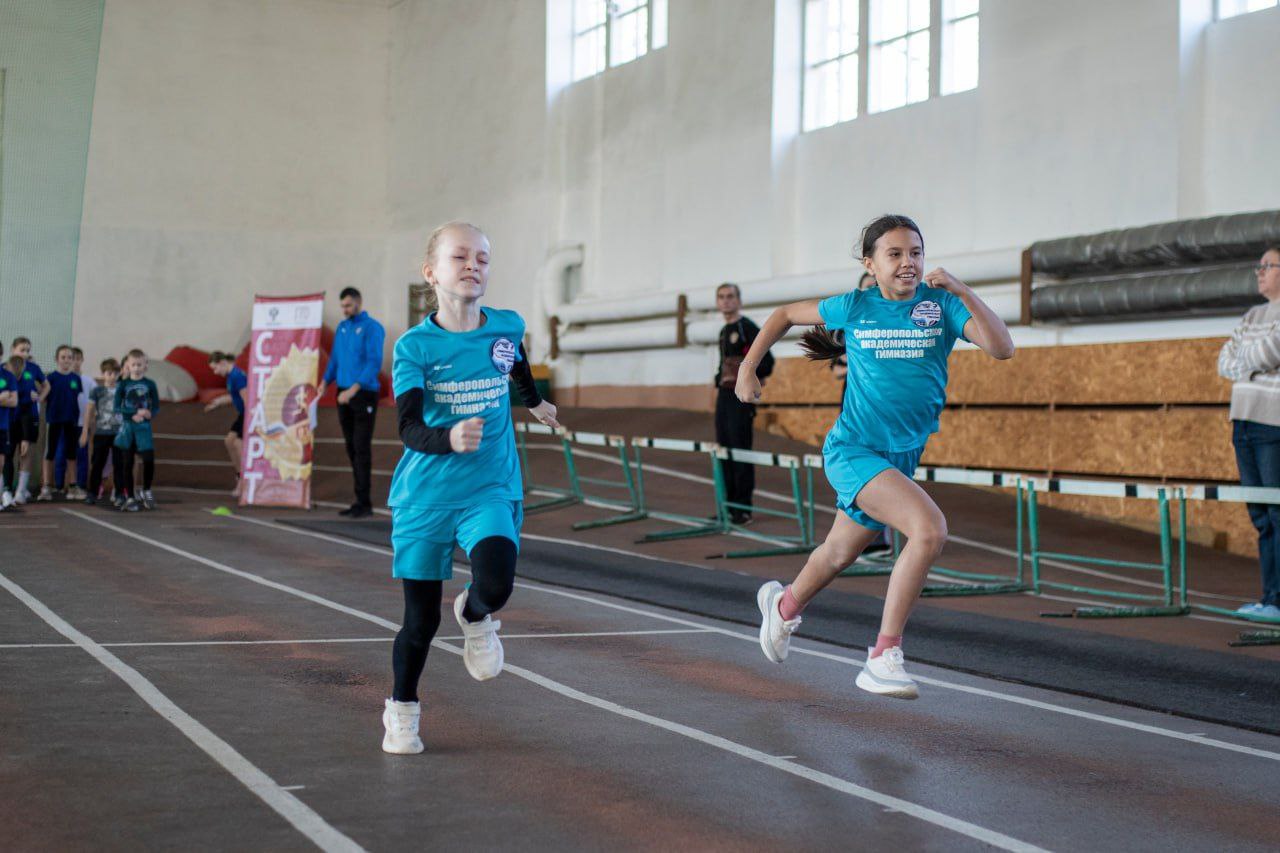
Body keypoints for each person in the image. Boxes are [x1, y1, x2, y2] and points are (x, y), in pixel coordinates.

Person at [738, 214, 1014, 699]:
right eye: (895, 254)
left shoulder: (942, 306)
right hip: (854, 450)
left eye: (916, 253)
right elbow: (782, 315)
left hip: (899, 458)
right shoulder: (854, 306)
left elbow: (1002, 347)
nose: (908, 262)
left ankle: (782, 607)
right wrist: (748, 369)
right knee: (929, 530)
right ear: (870, 264)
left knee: (839, 553)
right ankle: (883, 656)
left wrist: (962, 289)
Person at [381, 221, 560, 755]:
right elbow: (408, 428)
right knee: (420, 623)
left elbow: (513, 361)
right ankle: (401, 711)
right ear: (431, 272)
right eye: (460, 257)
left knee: (497, 584)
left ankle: (476, 614)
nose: (472, 266)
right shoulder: (414, 347)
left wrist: (534, 402)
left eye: (482, 258)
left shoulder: (505, 325)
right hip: (426, 497)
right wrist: (450, 438)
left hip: (489, 488)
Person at [1217, 244, 1280, 621]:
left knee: (1277, 512)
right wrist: (1250, 363)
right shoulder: (1252, 316)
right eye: (1259, 265)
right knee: (1260, 516)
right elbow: (1224, 361)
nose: (1260, 271)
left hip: (1272, 424)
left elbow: (1268, 353)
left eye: (1268, 265)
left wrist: (1247, 361)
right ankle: (1270, 598)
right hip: (1241, 421)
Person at [318, 287, 385, 518]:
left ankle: (364, 503)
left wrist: (354, 390)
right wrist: (324, 382)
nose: (345, 310)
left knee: (361, 447)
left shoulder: (372, 327)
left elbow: (374, 362)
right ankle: (359, 500)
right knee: (351, 447)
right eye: (342, 306)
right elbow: (335, 359)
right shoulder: (342, 327)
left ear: (358, 302)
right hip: (343, 393)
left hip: (363, 393)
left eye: (348, 305)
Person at [714, 283, 773, 525]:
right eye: (721, 297)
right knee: (724, 451)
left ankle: (743, 509)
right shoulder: (723, 331)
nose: (726, 301)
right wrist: (719, 378)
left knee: (740, 451)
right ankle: (728, 507)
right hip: (724, 398)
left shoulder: (746, 327)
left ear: (738, 300)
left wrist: (749, 376)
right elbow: (722, 365)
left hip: (741, 400)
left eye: (730, 296)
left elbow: (767, 361)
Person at [114, 349, 161, 512]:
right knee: (127, 463)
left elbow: (156, 406)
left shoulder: (150, 384)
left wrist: (149, 414)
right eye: (133, 364)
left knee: (149, 459)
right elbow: (116, 407)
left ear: (145, 365)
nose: (136, 368)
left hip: (144, 428)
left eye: (140, 364)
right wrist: (133, 413)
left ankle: (146, 490)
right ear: (128, 365)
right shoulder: (123, 384)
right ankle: (130, 497)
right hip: (128, 429)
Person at [37, 346, 83, 501]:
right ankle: (46, 487)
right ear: (57, 359)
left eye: (69, 357)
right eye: (63, 357)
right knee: (50, 453)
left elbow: (78, 399)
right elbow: (43, 397)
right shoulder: (51, 378)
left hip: (71, 420)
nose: (66, 360)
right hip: (54, 419)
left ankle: (72, 486)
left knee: (71, 453)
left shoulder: (76, 379)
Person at [204, 352, 249, 497]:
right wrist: (217, 402)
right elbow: (233, 396)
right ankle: (240, 475)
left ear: (223, 363)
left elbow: (246, 397)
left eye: (215, 368)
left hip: (247, 413)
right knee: (229, 441)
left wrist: (251, 419)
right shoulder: (231, 376)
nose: (215, 372)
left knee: (237, 443)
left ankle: (245, 480)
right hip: (243, 413)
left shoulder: (237, 376)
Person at [81, 358, 124, 506]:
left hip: (119, 434)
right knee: (97, 464)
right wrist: (85, 431)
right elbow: (89, 411)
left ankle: (119, 494)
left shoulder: (122, 390)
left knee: (119, 464)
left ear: (119, 374)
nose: (112, 377)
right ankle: (92, 493)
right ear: (103, 374)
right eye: (109, 373)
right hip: (101, 433)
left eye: (115, 374)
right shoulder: (97, 391)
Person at [10, 338, 47, 504]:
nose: (25, 353)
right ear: (13, 350)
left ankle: (21, 490)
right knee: (8, 453)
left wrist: (39, 397)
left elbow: (47, 386)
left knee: (26, 452)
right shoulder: (5, 368)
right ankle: (6, 488)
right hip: (10, 415)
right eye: (21, 350)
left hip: (29, 415)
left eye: (27, 350)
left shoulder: (33, 368)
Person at [54, 346, 94, 500]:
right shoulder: (63, 378)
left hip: (81, 425)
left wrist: (88, 425)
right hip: (64, 422)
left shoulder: (89, 381)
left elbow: (93, 404)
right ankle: (59, 486)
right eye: (72, 359)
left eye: (77, 359)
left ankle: (80, 485)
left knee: (81, 455)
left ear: (82, 360)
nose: (74, 362)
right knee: (60, 454)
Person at [0, 345, 17, 509]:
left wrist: (7, 398)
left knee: (1, 462)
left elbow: (14, 401)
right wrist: (1, 397)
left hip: (2, 425)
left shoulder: (8, 376)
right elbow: (6, 398)